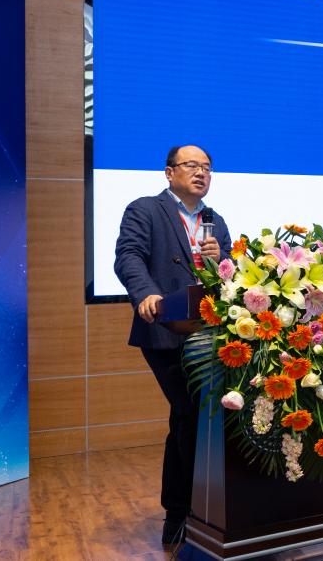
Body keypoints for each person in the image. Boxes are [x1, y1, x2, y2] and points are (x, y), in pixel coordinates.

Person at [113, 145, 233, 546]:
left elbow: (227, 275)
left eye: (207, 167)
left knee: (190, 418)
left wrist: (222, 258)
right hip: (165, 330)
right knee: (189, 412)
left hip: (209, 332)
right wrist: (145, 293)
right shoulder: (146, 209)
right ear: (169, 172)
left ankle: (188, 512)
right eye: (192, 165)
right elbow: (128, 256)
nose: (201, 173)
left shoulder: (215, 221)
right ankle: (184, 513)